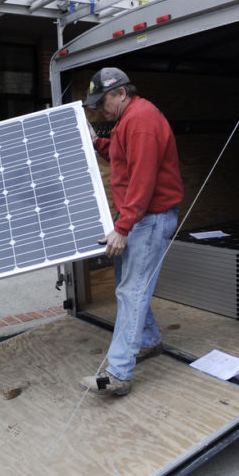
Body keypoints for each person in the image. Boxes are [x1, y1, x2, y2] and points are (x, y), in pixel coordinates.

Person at [78, 68, 183, 397]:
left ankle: (118, 374)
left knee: (132, 292)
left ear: (122, 92)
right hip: (139, 219)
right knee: (130, 288)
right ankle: (149, 341)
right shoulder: (131, 120)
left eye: (103, 102)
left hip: (148, 220)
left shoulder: (141, 120)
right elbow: (122, 157)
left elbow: (143, 179)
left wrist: (122, 227)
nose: (100, 109)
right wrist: (97, 141)